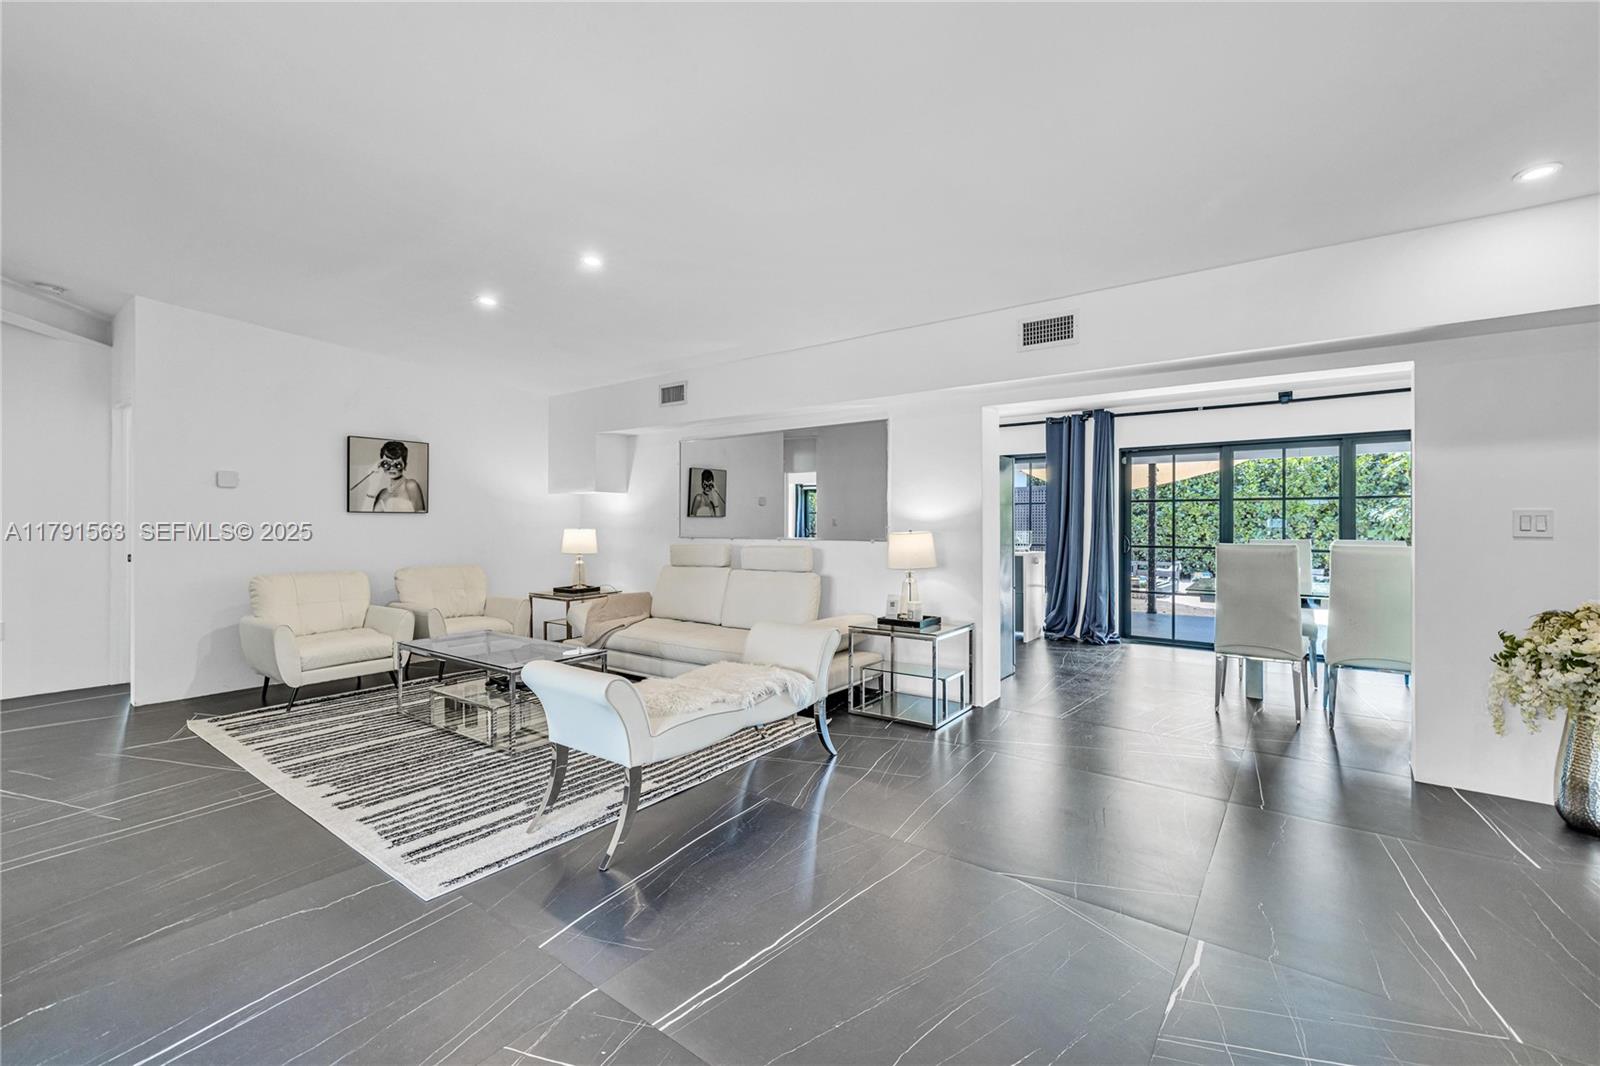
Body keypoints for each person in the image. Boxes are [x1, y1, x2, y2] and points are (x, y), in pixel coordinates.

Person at [353, 440, 426, 512]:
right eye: (386, 463)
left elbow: (421, 514)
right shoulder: (382, 493)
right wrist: (372, 486)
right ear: (381, 464)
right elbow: (366, 516)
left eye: (397, 464)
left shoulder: (411, 485)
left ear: (405, 465)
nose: (392, 468)